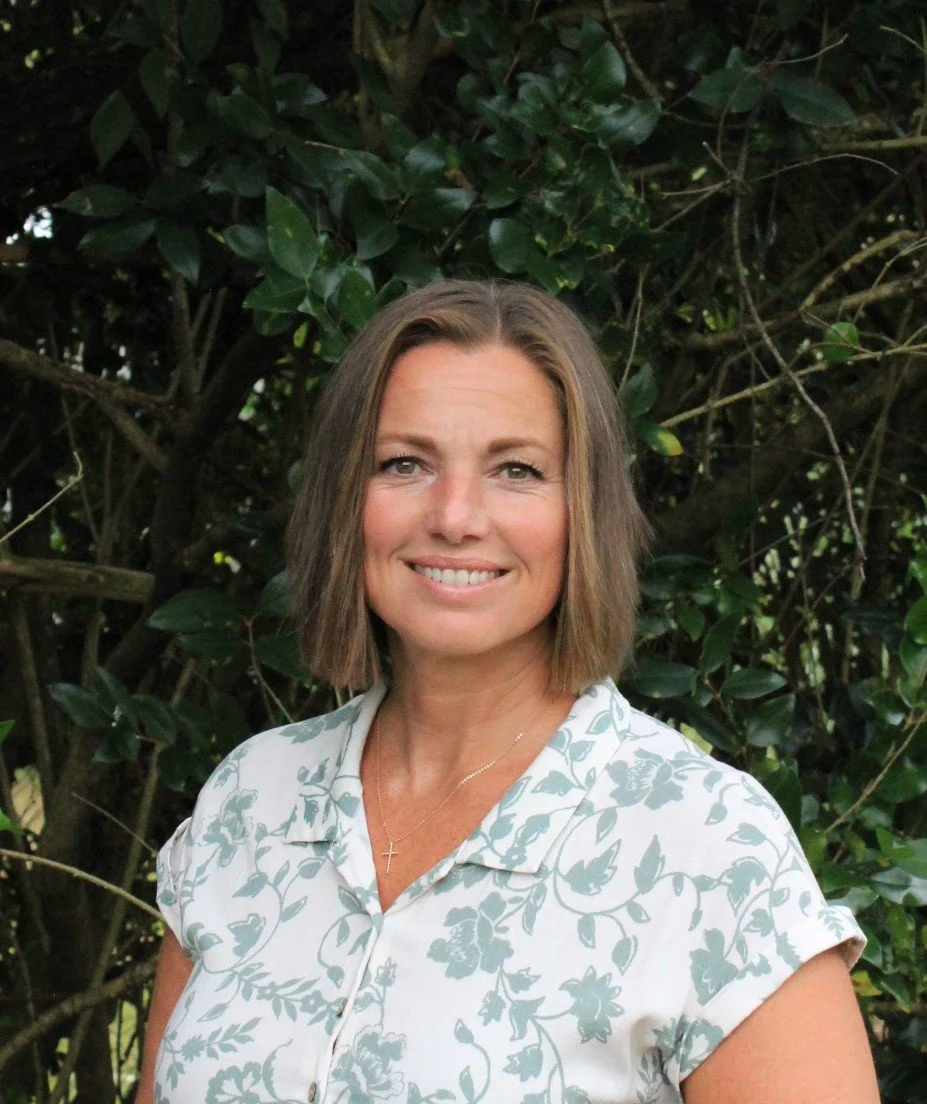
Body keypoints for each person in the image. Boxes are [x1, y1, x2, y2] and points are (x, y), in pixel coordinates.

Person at [138, 280, 880, 1104]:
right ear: (344, 501)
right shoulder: (249, 801)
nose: (455, 515)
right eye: (404, 464)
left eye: (516, 470)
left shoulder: (704, 850)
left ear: (582, 513)